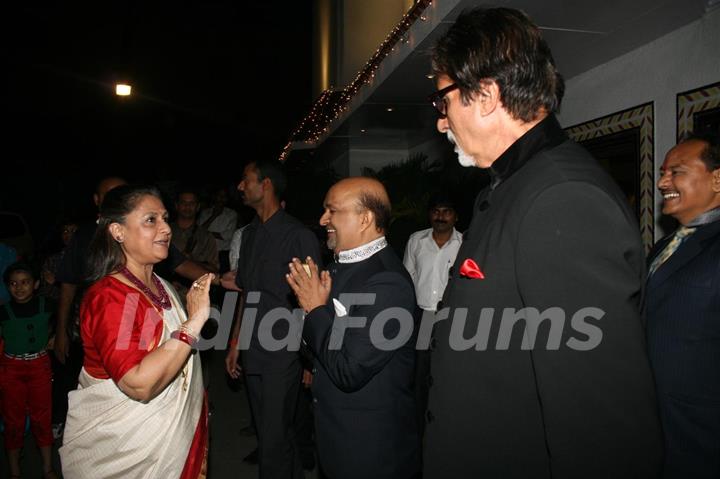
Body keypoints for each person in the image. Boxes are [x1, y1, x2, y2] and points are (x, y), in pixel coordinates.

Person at [423, 7, 662, 478]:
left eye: (442, 102)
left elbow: (603, 432)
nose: (440, 122)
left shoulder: (562, 198)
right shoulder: (513, 185)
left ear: (486, 95)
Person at [58, 184, 214, 478]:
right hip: (128, 453)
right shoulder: (110, 296)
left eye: (165, 218)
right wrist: (193, 322)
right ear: (117, 232)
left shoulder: (160, 284)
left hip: (171, 439)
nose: (166, 228)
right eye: (151, 220)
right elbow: (138, 384)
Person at [286, 177, 420, 479]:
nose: (323, 220)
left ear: (365, 218)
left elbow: (349, 371)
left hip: (371, 448)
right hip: (337, 436)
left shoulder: (387, 282)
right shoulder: (336, 267)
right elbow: (315, 354)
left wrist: (315, 309)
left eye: (331, 211)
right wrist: (306, 312)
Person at [224, 160, 321, 479]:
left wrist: (310, 359)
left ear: (265, 185)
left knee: (274, 439)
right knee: (273, 434)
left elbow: (312, 301)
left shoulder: (298, 236)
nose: (240, 186)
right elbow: (246, 292)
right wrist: (236, 340)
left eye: (246, 180)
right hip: (254, 349)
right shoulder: (249, 235)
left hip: (285, 351)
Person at [646, 133, 720, 478]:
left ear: (716, 178)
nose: (662, 182)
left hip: (701, 438)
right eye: (662, 172)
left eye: (675, 171)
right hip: (655, 431)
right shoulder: (662, 246)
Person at [402, 193, 461, 437]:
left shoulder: (465, 243)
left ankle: (448, 425)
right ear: (430, 214)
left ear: (456, 216)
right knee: (421, 375)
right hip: (423, 317)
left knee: (450, 372)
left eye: (446, 211)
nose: (441, 216)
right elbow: (407, 277)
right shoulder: (416, 241)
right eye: (436, 211)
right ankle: (419, 429)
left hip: (451, 319)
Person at [0, 262, 57, 479]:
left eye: (25, 282)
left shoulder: (47, 304)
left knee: (42, 417)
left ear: (35, 284)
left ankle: (47, 468)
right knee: (12, 419)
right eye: (13, 283)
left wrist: (55, 336)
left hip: (39, 365)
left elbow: (66, 308)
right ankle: (14, 471)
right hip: (11, 368)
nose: (19, 287)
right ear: (7, 287)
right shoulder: (3, 312)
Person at [198, 186, 238, 273]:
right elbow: (199, 232)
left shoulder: (231, 214)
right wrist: (214, 216)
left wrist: (208, 233)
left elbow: (228, 235)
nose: (221, 199)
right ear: (214, 196)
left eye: (224, 196)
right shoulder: (206, 213)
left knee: (222, 280)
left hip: (223, 254)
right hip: (206, 253)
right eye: (219, 196)